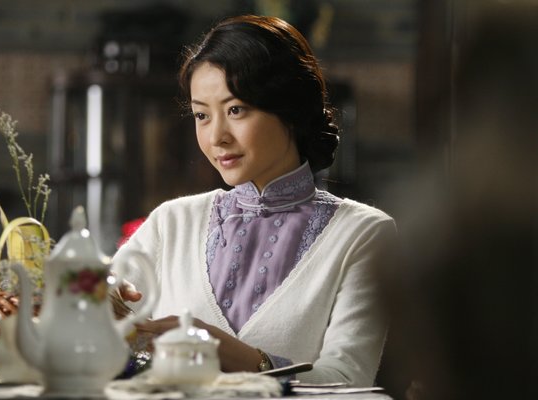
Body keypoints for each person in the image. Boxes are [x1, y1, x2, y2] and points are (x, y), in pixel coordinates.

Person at [113, 14, 396, 386]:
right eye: (202, 115)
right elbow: (100, 331)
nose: (216, 137)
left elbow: (347, 380)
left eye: (236, 110)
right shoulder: (172, 222)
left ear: (289, 108)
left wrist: (224, 349)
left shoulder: (363, 234)